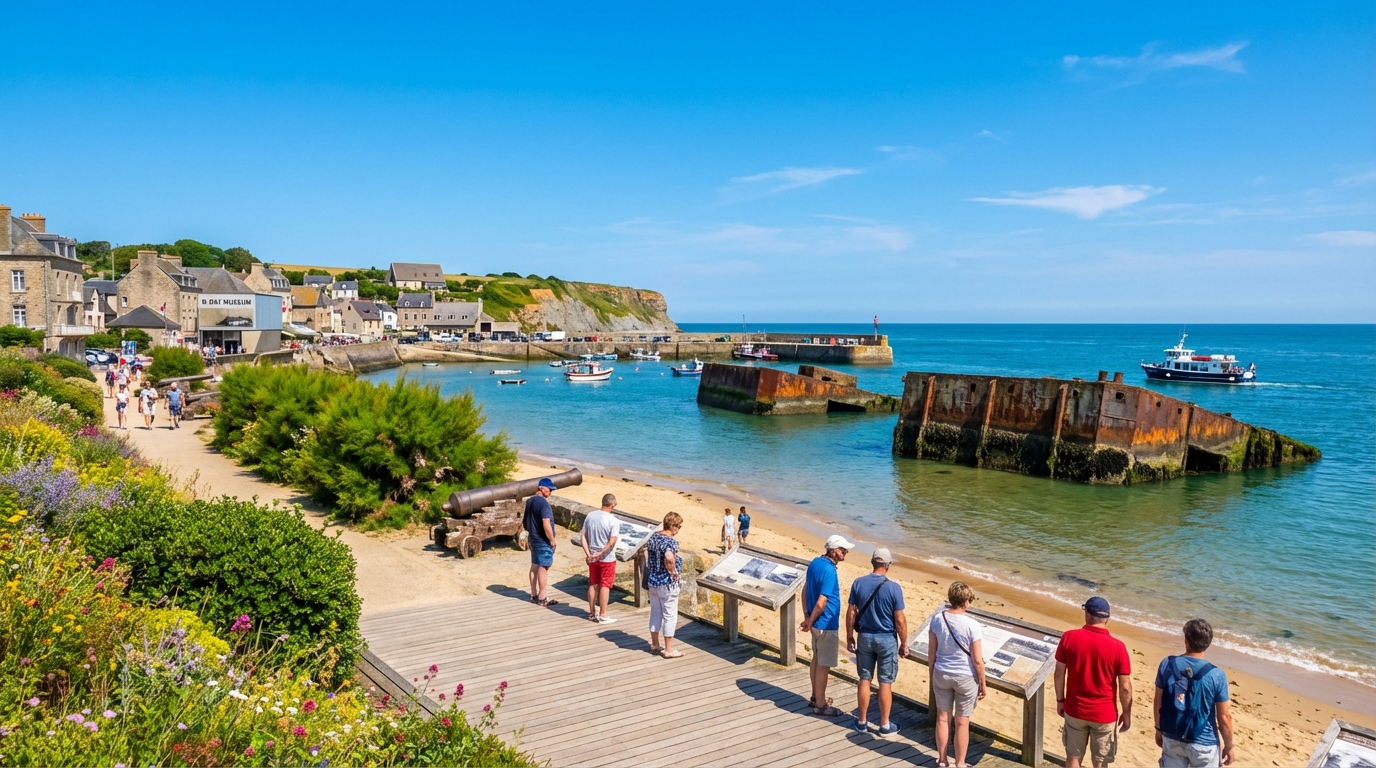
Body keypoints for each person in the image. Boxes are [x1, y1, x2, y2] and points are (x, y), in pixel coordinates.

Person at [1055, 596, 1133, 768]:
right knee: (1100, 762)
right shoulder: (1118, 647)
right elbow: (1125, 687)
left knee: (1073, 757)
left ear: (1087, 614)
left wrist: (1060, 700)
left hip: (1075, 709)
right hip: (1104, 714)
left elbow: (1059, 674)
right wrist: (1126, 713)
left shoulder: (1069, 637)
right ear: (1106, 618)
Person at [1154, 619, 1235, 767]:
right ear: (1208, 644)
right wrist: (1229, 747)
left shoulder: (1167, 664)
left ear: (1186, 640)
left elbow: (1158, 700)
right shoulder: (1217, 675)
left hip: (1172, 735)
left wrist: (1159, 729)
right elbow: (1224, 717)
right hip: (1204, 743)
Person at [846, 547, 908, 737]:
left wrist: (849, 636)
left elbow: (851, 613)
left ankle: (862, 722)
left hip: (865, 636)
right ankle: (884, 724)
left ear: (873, 563)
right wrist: (904, 643)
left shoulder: (858, 583)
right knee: (885, 682)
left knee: (864, 678)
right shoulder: (893, 587)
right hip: (886, 637)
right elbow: (900, 620)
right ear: (888, 565)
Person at [928, 582, 988, 768]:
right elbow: (977, 659)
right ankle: (960, 763)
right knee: (962, 722)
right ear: (966, 602)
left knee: (942, 718)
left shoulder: (937, 619)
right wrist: (983, 682)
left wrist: (932, 673)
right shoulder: (972, 625)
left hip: (942, 672)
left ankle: (942, 759)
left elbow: (932, 650)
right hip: (965, 676)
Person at [800, 533, 853, 718]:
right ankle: (821, 705)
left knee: (816, 658)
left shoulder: (815, 562)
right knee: (824, 664)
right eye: (842, 549)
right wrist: (811, 618)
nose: (845, 552)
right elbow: (822, 601)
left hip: (816, 622)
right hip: (826, 623)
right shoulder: (829, 570)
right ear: (833, 550)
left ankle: (816, 696)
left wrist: (807, 616)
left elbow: (805, 590)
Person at [645, 511, 683, 658]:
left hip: (653, 581)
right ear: (672, 526)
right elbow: (668, 556)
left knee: (655, 613)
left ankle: (655, 644)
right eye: (678, 526)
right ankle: (668, 649)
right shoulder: (670, 541)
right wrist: (673, 571)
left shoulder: (654, 536)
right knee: (669, 615)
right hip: (666, 583)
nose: (678, 530)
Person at [580, 493, 620, 624]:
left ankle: (592, 613)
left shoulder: (590, 515)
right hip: (606, 558)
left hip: (592, 556)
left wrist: (588, 553)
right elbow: (612, 540)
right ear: (612, 505)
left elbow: (583, 536)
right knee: (605, 585)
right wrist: (602, 553)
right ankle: (603, 614)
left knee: (593, 583)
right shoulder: (613, 520)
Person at [522, 478, 560, 607]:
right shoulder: (543, 504)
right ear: (542, 488)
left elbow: (525, 522)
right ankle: (542, 596)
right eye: (549, 489)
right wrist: (552, 539)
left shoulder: (530, 501)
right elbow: (546, 522)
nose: (550, 492)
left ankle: (533, 594)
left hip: (533, 538)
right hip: (543, 540)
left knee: (534, 565)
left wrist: (532, 531)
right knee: (543, 567)